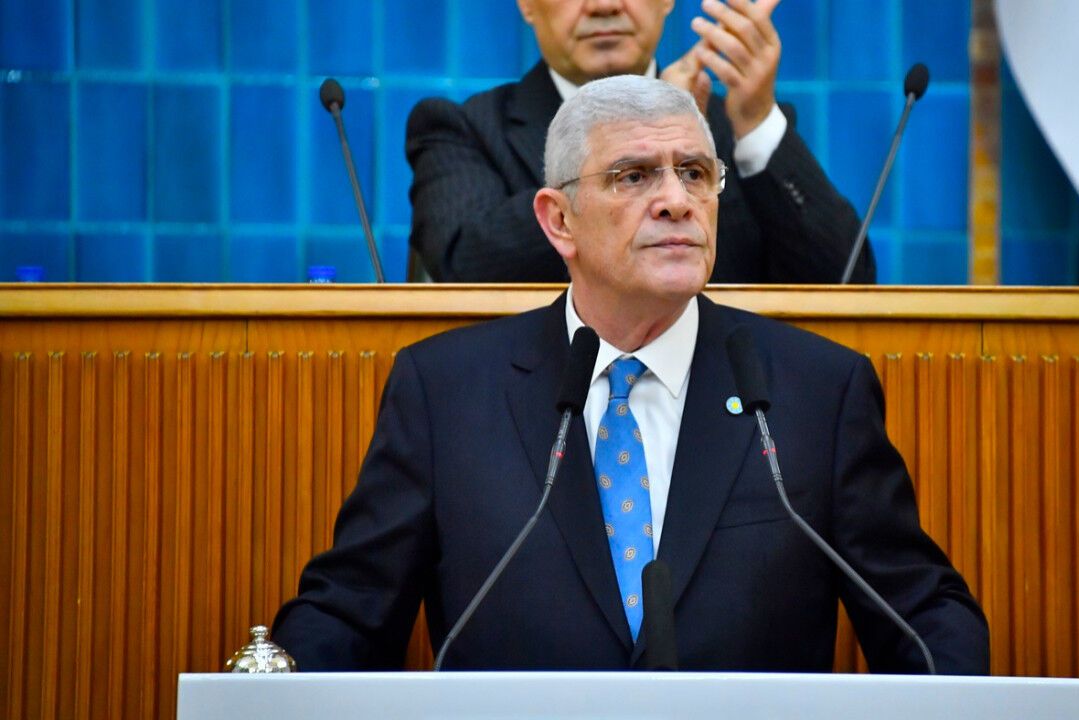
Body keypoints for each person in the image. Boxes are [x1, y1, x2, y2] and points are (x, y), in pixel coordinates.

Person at [275, 76, 986, 673]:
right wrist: (271, 685)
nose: (677, 199)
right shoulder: (446, 393)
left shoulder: (817, 391)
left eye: (695, 173)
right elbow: (351, 612)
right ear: (559, 221)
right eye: (634, 175)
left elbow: (924, 616)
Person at [405, 0, 877, 284]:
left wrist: (755, 122)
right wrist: (634, 131)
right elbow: (464, 268)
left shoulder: (731, 127)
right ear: (527, 4)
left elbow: (845, 281)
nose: (605, 6)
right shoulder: (461, 128)